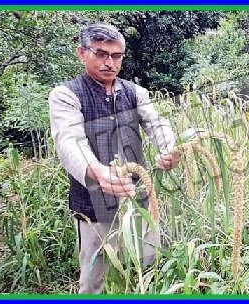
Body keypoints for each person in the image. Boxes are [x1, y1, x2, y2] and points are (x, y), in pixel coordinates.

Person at [48, 22, 180, 294]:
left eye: (116, 56)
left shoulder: (134, 92)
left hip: (138, 196)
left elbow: (156, 124)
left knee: (151, 260)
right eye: (101, 54)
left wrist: (169, 148)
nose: (110, 62)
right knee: (93, 276)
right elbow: (70, 141)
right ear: (82, 53)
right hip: (92, 205)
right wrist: (97, 171)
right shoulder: (67, 95)